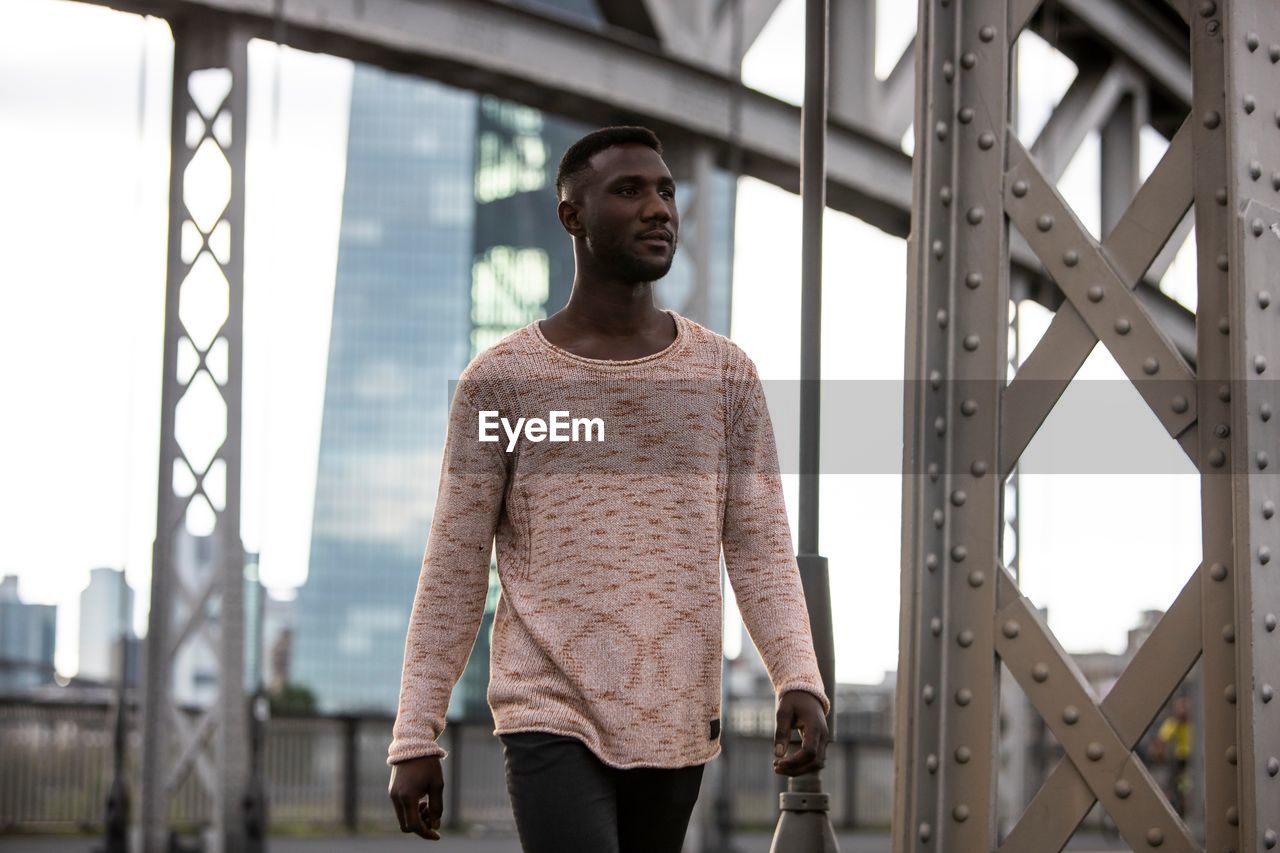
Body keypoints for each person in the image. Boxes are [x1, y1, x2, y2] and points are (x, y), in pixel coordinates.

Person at [387, 125, 831, 852]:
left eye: (665, 190)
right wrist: (415, 733)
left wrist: (799, 678)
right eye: (629, 190)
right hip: (547, 706)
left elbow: (758, 546)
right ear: (572, 215)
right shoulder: (500, 383)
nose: (658, 208)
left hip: (677, 712)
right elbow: (455, 567)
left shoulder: (726, 376)